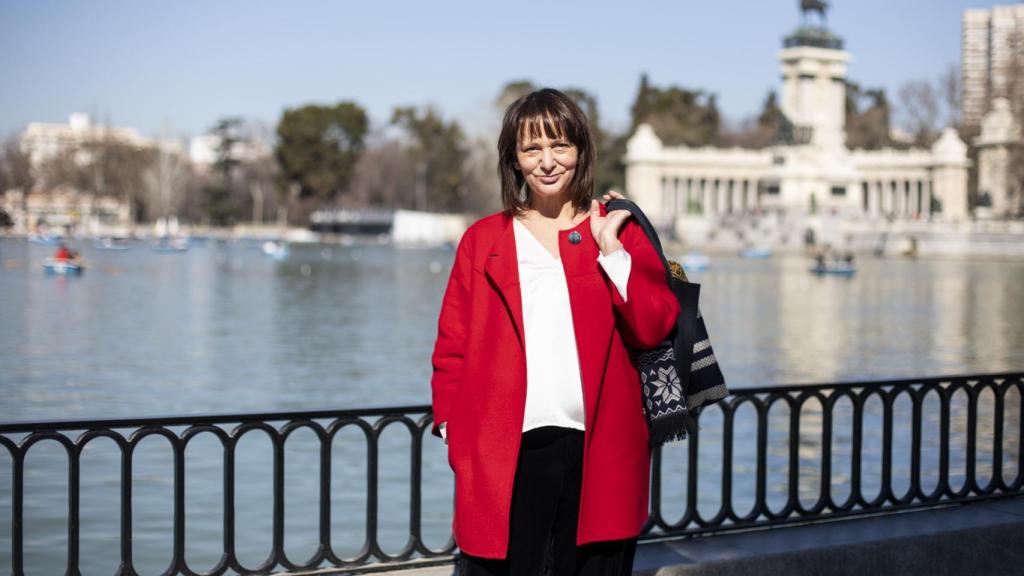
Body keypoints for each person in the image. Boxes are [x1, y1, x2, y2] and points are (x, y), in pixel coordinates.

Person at [429, 88, 679, 575]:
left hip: (600, 449)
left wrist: (612, 254)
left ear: (581, 151)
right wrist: (452, 431)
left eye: (559, 146)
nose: (547, 161)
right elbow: (451, 348)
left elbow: (653, 328)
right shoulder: (482, 240)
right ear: (514, 160)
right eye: (531, 149)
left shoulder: (618, 231)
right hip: (504, 450)